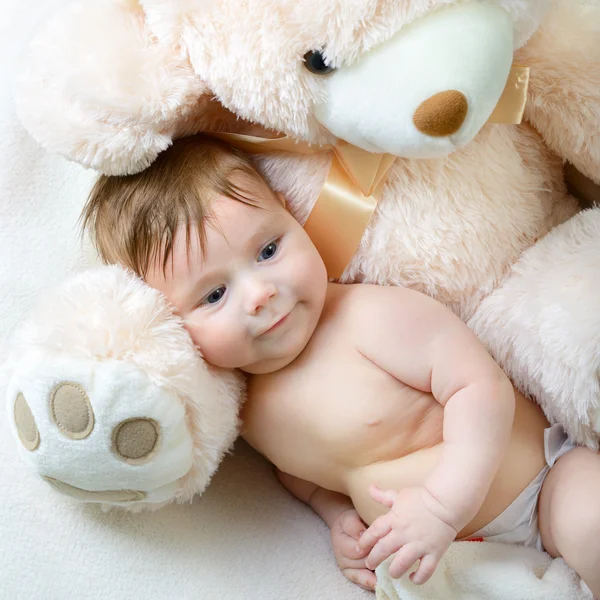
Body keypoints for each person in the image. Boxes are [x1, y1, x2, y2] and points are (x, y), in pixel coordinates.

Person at [82, 135, 600, 595]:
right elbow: (304, 475)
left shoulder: (367, 316)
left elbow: (480, 389)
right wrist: (336, 517)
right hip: (446, 555)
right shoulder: (245, 410)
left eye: (267, 249)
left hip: (542, 487)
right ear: (171, 322)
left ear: (291, 215)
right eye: (215, 293)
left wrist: (444, 505)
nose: (261, 294)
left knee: (590, 523)